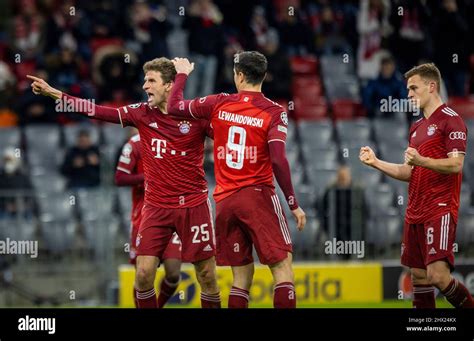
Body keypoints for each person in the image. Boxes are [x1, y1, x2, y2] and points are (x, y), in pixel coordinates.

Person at [27, 57, 221, 309]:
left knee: (206, 274)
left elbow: (226, 138)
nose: (145, 86)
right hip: (156, 207)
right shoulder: (140, 113)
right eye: (144, 80)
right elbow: (93, 110)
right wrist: (53, 92)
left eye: (151, 80)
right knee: (143, 275)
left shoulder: (195, 115)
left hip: (194, 206)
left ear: (169, 85)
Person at [167, 51, 306, 308]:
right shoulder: (274, 112)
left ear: (239, 75)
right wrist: (293, 203)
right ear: (263, 76)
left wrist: (182, 75)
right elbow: (278, 160)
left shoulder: (219, 102)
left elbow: (174, 107)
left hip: (224, 201)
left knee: (241, 277)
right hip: (257, 196)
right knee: (282, 268)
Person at [359, 63, 473, 308]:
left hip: (439, 209)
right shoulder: (416, 127)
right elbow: (409, 172)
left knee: (438, 276)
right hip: (414, 213)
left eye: (413, 88)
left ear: (431, 86)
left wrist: (422, 160)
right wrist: (376, 162)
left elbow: (456, 165)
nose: (408, 94)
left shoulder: (451, 121)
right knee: (419, 277)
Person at [115, 128, 182, 308]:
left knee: (174, 273)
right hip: (144, 217)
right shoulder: (135, 144)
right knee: (143, 275)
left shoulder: (174, 138)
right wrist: (148, 178)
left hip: (172, 214)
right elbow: (120, 178)